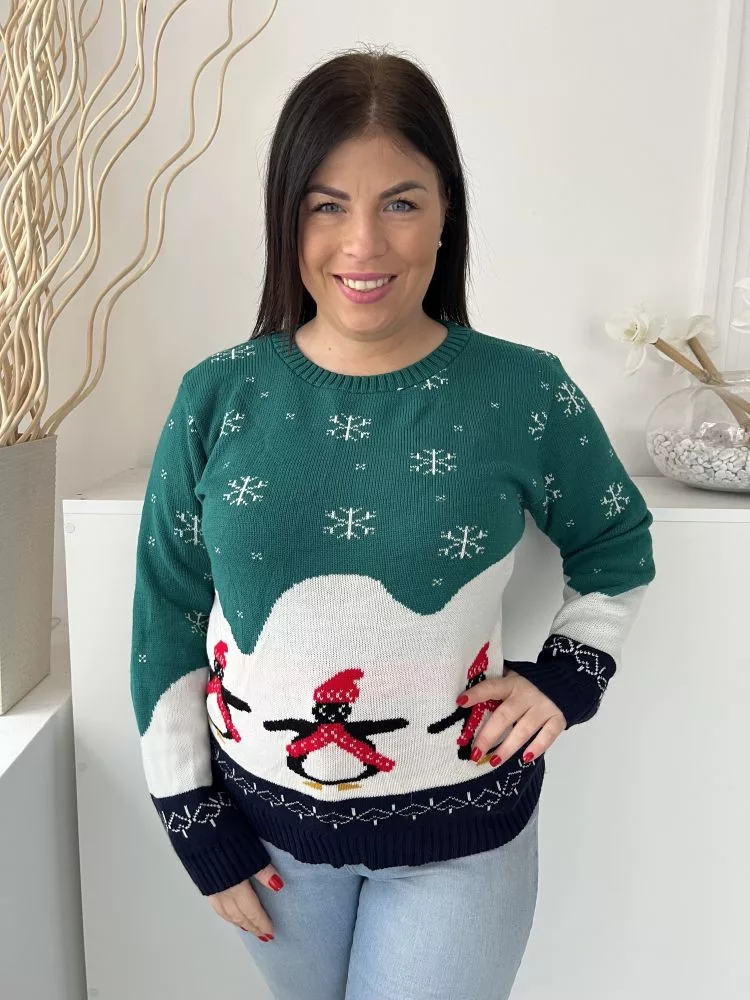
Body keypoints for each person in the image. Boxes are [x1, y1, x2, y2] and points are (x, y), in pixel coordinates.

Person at [129, 44, 655, 1000]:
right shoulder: (217, 396)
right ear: (286, 218)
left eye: (401, 203)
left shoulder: (522, 389)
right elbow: (167, 611)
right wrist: (190, 816)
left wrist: (567, 678)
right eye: (327, 205)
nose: (363, 244)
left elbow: (615, 541)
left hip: (464, 839)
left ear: (448, 211)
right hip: (267, 843)